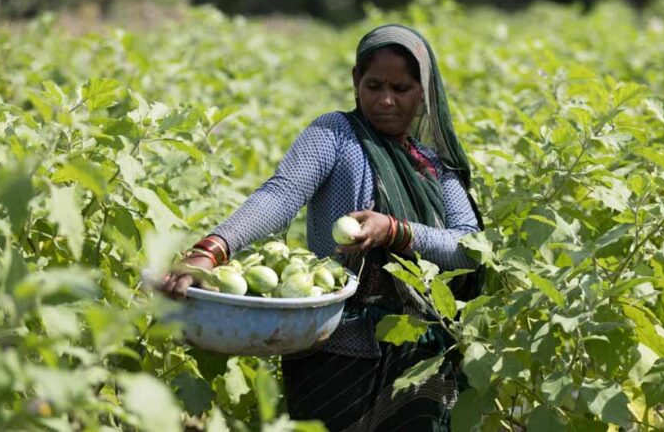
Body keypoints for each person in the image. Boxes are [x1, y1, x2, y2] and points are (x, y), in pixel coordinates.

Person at [161, 24, 484, 431]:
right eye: (374, 85)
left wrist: (395, 230)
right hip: (337, 348)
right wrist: (210, 250)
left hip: (419, 360)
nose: (386, 100)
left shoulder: (436, 166)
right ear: (355, 81)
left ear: (424, 91)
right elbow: (278, 196)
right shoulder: (335, 135)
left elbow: (467, 246)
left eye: (401, 89)